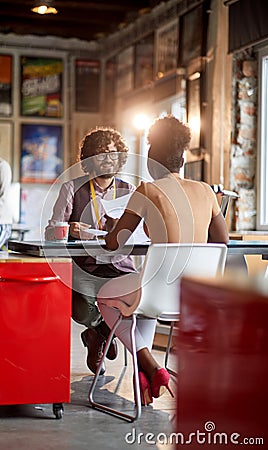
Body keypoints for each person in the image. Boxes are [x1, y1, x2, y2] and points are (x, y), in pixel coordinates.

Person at [97, 115, 229, 406]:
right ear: (182, 158)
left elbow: (113, 244)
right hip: (195, 295)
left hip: (157, 291)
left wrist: (109, 226)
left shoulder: (147, 190)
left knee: (105, 297)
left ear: (150, 158)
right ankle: (146, 375)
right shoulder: (207, 192)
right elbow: (222, 242)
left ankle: (152, 365)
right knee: (141, 305)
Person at [45, 127, 136, 375]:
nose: (108, 158)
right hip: (85, 267)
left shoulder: (129, 190)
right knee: (81, 310)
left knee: (135, 303)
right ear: (89, 159)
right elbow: (50, 232)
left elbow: (142, 233)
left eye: (113, 153)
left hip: (120, 266)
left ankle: (100, 336)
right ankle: (100, 331)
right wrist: (69, 229)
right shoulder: (72, 188)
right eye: (101, 153)